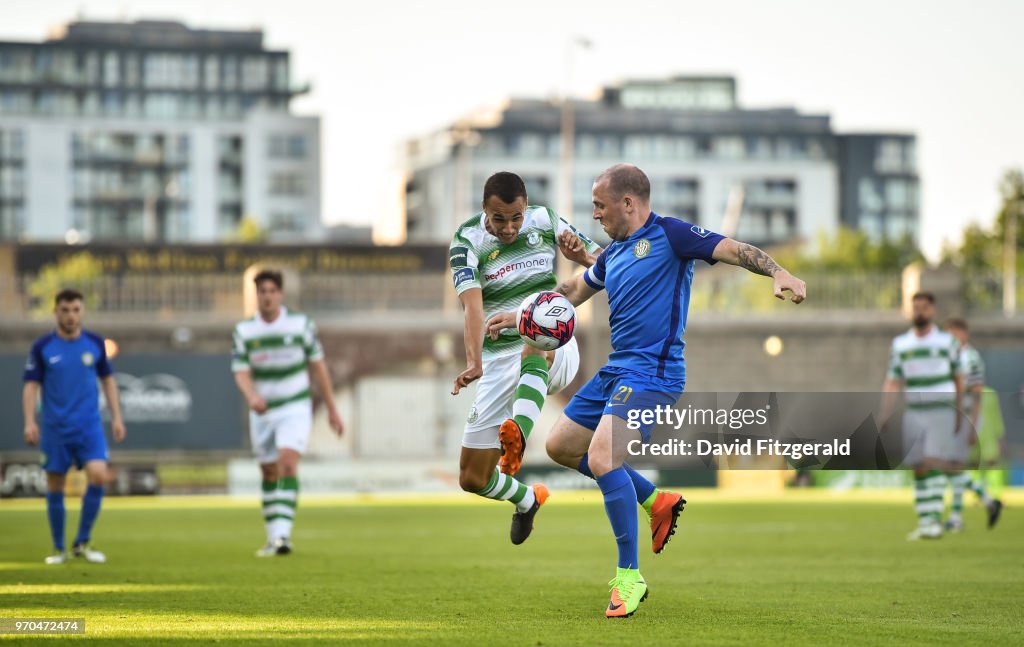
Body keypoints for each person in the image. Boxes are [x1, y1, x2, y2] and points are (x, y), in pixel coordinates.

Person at [490, 164, 806, 618]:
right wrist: (521, 315)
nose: (594, 214)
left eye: (600, 205)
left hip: (654, 374)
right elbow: (572, 290)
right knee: (560, 445)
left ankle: (628, 578)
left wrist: (779, 273)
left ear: (629, 203)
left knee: (602, 459)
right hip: (617, 370)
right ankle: (656, 500)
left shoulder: (672, 235)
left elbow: (735, 249)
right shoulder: (613, 255)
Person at [449, 171, 603, 545]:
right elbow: (472, 306)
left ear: (526, 207)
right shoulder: (465, 241)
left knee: (535, 322)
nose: (509, 227)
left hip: (555, 340)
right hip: (500, 361)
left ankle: (518, 432)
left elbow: (608, 262)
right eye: (500, 219)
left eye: (516, 217)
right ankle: (528, 499)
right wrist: (474, 362)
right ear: (485, 208)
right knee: (472, 477)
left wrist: (581, 256)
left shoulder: (546, 220)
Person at [232, 269, 344, 557]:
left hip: (295, 406)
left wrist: (332, 409)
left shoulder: (300, 325)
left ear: (280, 294)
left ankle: (282, 536)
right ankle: (272, 538)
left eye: (272, 291)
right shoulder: (244, 331)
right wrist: (252, 396)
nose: (267, 297)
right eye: (262, 292)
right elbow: (241, 372)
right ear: (256, 295)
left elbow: (319, 367)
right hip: (262, 410)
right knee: (268, 471)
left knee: (288, 464)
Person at [22, 289, 126, 564]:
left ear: (82, 312)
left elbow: (108, 381)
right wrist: (30, 421)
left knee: (99, 475)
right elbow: (31, 386)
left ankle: (82, 542)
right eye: (66, 310)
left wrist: (117, 417)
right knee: (55, 484)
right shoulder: (42, 346)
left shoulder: (94, 343)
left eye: (76, 309)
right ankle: (58, 548)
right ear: (56, 311)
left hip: (88, 426)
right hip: (55, 428)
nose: (71, 315)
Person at [879, 292, 963, 541]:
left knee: (932, 460)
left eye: (924, 307)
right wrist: (884, 413)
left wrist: (960, 410)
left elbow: (960, 379)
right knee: (917, 465)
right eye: (916, 307)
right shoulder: (901, 344)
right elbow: (893, 381)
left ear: (933, 311)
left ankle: (935, 521)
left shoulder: (947, 342)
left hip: (941, 408)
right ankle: (925, 520)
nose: (919, 312)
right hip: (914, 411)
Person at [943, 318, 1002, 530]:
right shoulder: (949, 358)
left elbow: (977, 393)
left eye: (953, 334)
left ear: (963, 334)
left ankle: (958, 516)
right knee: (952, 466)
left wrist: (973, 425)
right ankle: (987, 502)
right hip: (952, 418)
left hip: (965, 417)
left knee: (951, 465)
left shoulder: (971, 358)